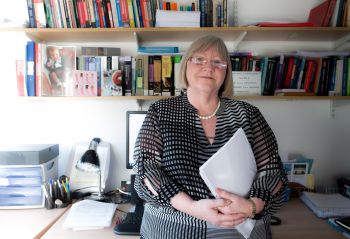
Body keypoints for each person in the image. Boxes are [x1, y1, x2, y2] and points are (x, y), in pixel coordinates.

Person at [133, 35, 288, 239]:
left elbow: (273, 173)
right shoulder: (161, 112)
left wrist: (252, 205)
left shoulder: (248, 114)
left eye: (218, 62)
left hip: (241, 231)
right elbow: (146, 171)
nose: (208, 67)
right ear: (186, 65)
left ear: (226, 72)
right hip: (173, 230)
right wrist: (191, 207)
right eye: (199, 59)